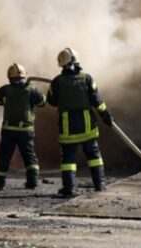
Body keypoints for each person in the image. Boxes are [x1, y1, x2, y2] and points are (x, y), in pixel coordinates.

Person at [47, 47, 113, 197]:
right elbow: (97, 102)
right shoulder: (87, 79)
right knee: (94, 156)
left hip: (67, 127)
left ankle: (68, 188)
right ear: (76, 61)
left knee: (68, 160)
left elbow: (51, 101)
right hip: (87, 126)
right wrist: (106, 116)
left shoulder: (57, 82)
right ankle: (100, 185)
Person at [0, 63, 46, 191]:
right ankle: (32, 182)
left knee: (4, 157)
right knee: (29, 157)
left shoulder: (4, 90)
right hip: (25, 130)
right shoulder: (31, 90)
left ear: (9, 77)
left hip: (8, 130)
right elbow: (42, 102)